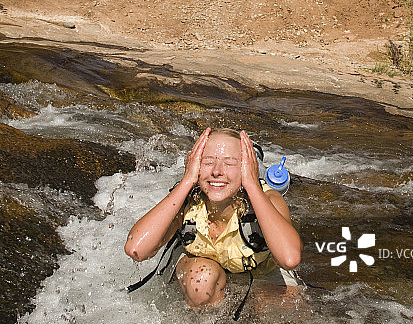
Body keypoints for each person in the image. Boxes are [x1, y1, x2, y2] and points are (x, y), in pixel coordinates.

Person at [125, 127, 303, 308]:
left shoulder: (269, 198)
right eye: (208, 162)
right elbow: (136, 249)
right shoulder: (187, 199)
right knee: (200, 281)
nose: (217, 171)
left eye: (230, 163)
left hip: (259, 270)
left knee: (290, 309)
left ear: (246, 167)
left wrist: (251, 184)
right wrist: (187, 181)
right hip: (200, 268)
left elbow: (289, 258)